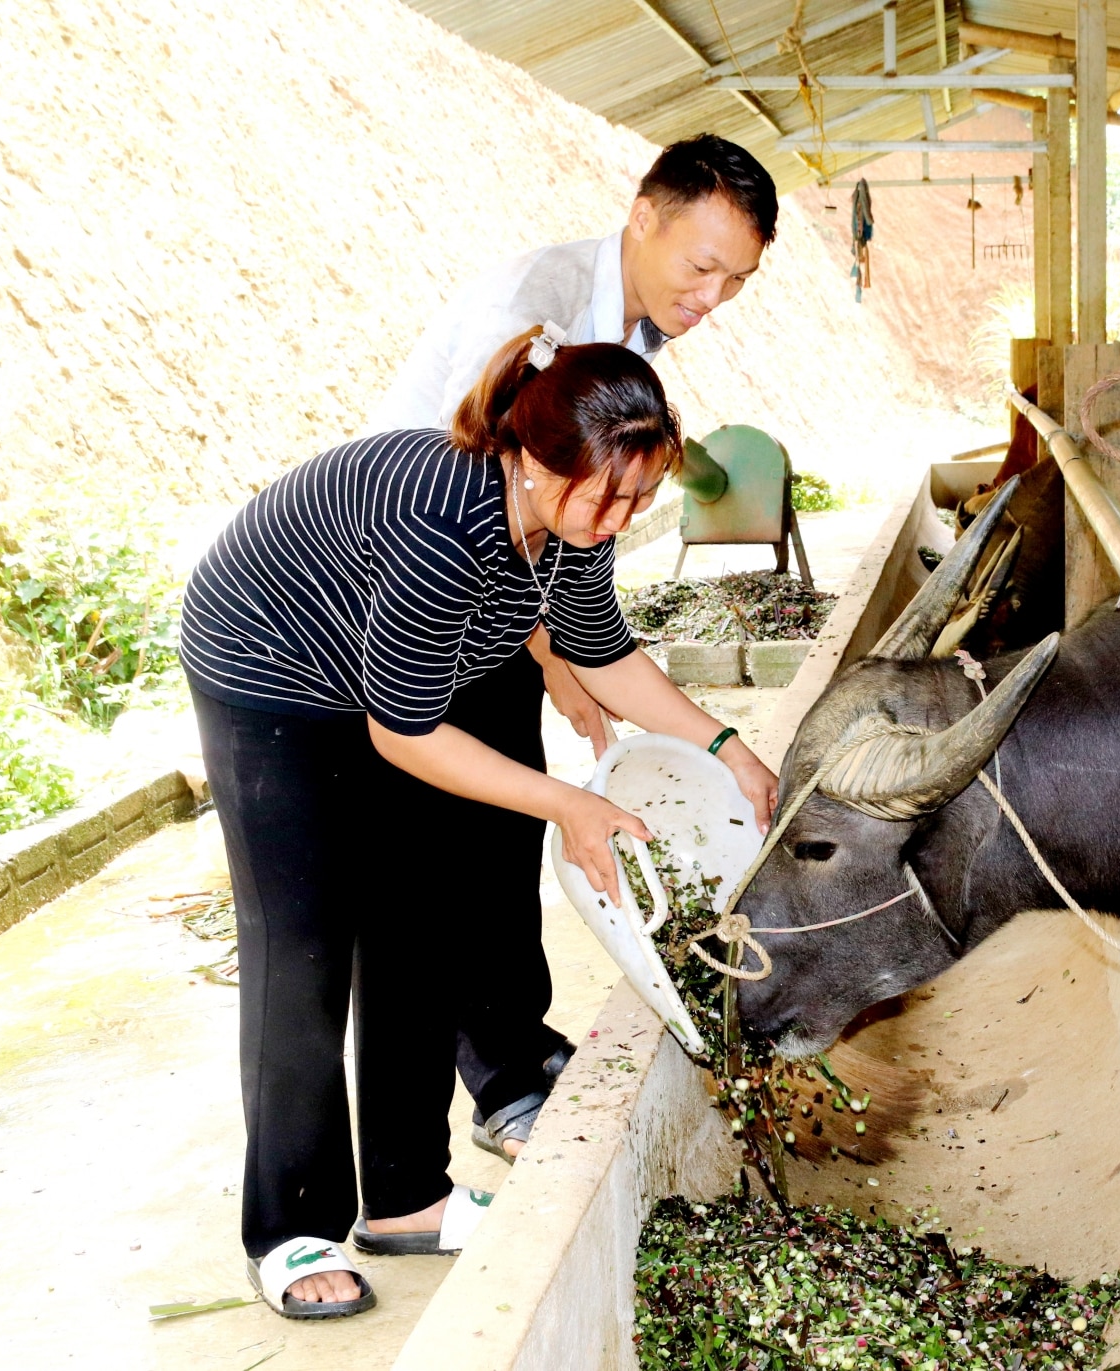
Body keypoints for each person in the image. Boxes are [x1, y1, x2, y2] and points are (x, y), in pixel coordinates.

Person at [182, 329, 778, 1319]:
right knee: (306, 945)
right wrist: (570, 805)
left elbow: (602, 651)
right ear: (536, 461)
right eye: (607, 494)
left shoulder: (577, 519)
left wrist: (728, 748)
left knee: (419, 917)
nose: (621, 516)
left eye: (639, 496)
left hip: (384, 682)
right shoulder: (444, 527)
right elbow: (408, 734)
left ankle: (408, 1198)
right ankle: (291, 1229)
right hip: (270, 675)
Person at [367, 134, 780, 1163]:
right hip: (424, 582)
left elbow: (568, 529)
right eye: (702, 266)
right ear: (645, 214)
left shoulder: (637, 324)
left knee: (509, 832)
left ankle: (519, 1050)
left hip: (506, 582)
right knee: (453, 839)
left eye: (737, 280)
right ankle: (498, 1089)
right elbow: (503, 475)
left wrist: (567, 644)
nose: (712, 297)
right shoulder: (542, 309)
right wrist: (551, 650)